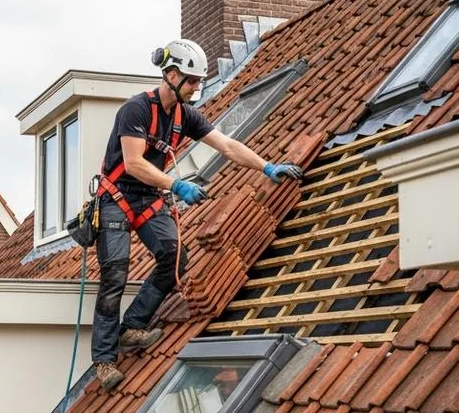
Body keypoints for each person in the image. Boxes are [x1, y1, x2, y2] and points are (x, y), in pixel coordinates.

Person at [92, 38, 303, 392]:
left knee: (174, 255)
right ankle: (103, 359)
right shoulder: (135, 111)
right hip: (116, 196)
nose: (196, 88)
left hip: (147, 197)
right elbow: (133, 163)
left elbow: (228, 145)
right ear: (172, 75)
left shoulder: (184, 116)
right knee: (115, 273)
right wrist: (177, 186)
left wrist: (266, 167)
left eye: (198, 82)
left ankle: (132, 327)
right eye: (191, 81)